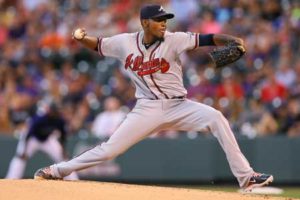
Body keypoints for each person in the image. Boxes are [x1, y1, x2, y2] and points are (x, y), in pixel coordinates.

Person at [34, 4, 273, 191]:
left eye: (165, 20)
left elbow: (208, 39)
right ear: (145, 23)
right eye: (159, 20)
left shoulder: (175, 39)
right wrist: (80, 37)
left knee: (217, 118)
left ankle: (247, 177)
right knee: (109, 151)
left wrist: (232, 40)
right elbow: (98, 44)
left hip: (179, 105)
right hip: (147, 108)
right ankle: (56, 170)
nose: (163, 24)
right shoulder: (124, 43)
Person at [6, 99, 78, 180]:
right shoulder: (40, 118)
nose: (54, 112)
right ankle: (11, 178)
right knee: (20, 157)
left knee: (63, 158)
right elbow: (28, 134)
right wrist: (24, 150)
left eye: (56, 110)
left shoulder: (59, 120)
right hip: (33, 139)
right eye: (53, 110)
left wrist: (63, 150)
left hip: (47, 139)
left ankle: (73, 179)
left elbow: (63, 136)